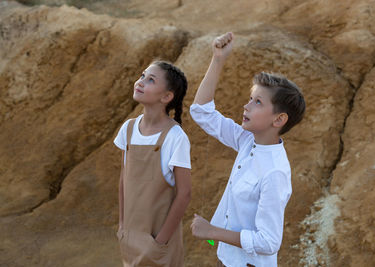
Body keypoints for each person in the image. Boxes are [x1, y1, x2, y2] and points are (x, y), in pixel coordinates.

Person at [190, 32, 305, 267]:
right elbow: (201, 112)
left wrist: (212, 232)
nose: (247, 105)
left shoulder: (275, 172)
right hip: (229, 260)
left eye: (258, 102)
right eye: (250, 98)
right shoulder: (246, 140)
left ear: (279, 119)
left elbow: (268, 242)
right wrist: (218, 59)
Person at [114, 60, 191, 267]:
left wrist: (160, 241)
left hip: (158, 243)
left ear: (166, 97)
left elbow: (184, 194)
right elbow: (124, 180)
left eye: (150, 80)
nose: (140, 82)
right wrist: (123, 226)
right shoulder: (128, 129)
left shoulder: (175, 137)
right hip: (130, 239)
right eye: (142, 76)